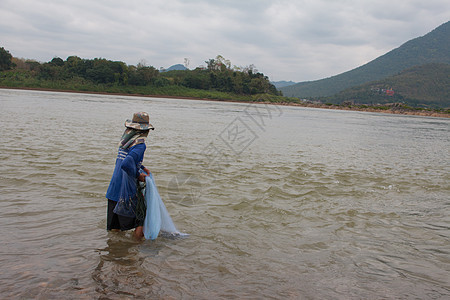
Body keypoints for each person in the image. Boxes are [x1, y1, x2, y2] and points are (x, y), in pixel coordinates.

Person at [106, 112, 154, 239]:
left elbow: (125, 160)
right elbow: (127, 164)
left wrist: (142, 166)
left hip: (113, 190)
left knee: (114, 229)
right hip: (126, 193)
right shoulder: (140, 145)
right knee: (141, 221)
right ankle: (135, 251)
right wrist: (138, 175)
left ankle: (115, 252)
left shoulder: (125, 141)